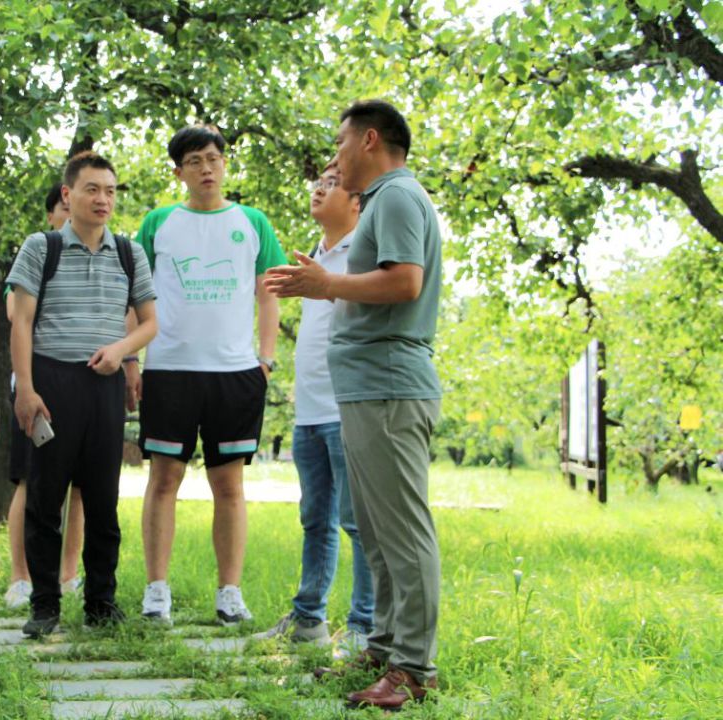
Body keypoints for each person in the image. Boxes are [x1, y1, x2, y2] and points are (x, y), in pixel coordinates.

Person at [265, 100, 443, 711]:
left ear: (370, 140)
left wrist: (328, 284)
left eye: (340, 143)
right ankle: (387, 649)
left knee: (404, 531)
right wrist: (325, 280)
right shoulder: (384, 201)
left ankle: (414, 668)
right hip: (369, 387)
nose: (335, 157)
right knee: (377, 532)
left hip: (391, 384)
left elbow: (404, 281)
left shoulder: (395, 196)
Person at [136, 125, 286, 625]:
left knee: (230, 486)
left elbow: (270, 290)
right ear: (178, 171)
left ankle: (230, 592)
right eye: (195, 160)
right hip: (169, 370)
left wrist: (265, 358)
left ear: (225, 165)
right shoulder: (159, 222)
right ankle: (157, 590)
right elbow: (138, 296)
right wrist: (133, 360)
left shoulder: (253, 222)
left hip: (235, 373)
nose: (207, 168)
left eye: (214, 159)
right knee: (164, 480)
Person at [8, 151, 157, 637]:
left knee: (102, 501)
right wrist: (25, 389)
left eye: (111, 191)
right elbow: (22, 321)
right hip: (51, 383)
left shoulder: (130, 253)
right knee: (44, 500)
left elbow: (151, 322)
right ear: (68, 195)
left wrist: (122, 351)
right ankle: (44, 605)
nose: (103, 200)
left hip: (103, 387)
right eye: (92, 189)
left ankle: (101, 602)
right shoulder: (41, 246)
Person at [255, 162, 374, 657]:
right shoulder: (318, 251)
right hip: (310, 412)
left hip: (348, 407)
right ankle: (308, 618)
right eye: (317, 181)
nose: (319, 188)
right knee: (315, 518)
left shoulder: (366, 250)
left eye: (332, 183)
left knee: (357, 522)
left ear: (357, 201)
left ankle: (365, 626)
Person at [3, 183, 86, 609]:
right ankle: (20, 578)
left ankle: (68, 575)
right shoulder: (37, 257)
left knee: (78, 489)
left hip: (83, 388)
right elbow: (16, 314)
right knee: (28, 483)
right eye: (64, 209)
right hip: (35, 390)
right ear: (53, 214)